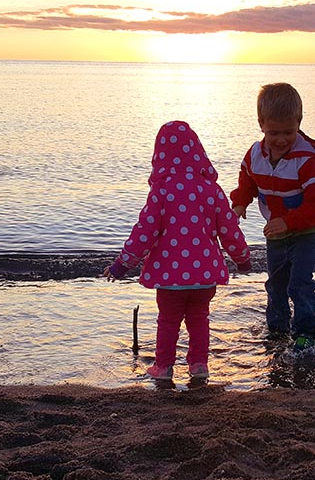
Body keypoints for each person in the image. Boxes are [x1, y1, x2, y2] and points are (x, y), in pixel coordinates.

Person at [104, 121, 252, 386]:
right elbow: (229, 228)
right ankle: (199, 365)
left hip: (170, 275)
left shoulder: (162, 191)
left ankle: (164, 367)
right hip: (204, 273)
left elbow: (144, 232)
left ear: (159, 155)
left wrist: (122, 265)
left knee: (168, 320)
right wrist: (242, 258)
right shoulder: (211, 190)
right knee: (199, 318)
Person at [229, 83, 315, 352]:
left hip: (306, 232)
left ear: (299, 122)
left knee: (300, 283)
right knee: (275, 283)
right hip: (275, 233)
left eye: (289, 132)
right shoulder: (255, 155)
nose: (281, 139)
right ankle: (277, 329)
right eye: (274, 133)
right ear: (261, 124)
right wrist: (239, 203)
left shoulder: (308, 160)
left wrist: (288, 221)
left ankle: (306, 332)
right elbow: (247, 182)